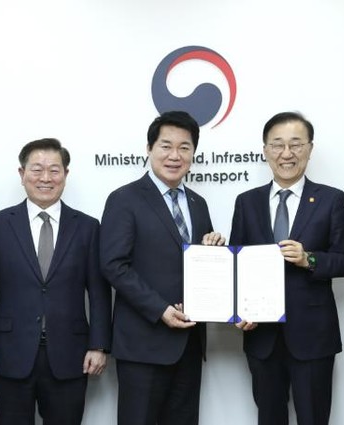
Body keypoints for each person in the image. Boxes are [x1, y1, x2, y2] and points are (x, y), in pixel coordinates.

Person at [0, 138, 112, 425]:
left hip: (70, 354)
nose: (45, 178)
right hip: (9, 354)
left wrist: (98, 346)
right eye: (36, 169)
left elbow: (99, 293)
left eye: (54, 170)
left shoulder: (87, 227)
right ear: (22, 174)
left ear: (65, 174)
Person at [229, 111, 344, 425]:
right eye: (278, 145)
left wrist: (308, 259)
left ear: (310, 149)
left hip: (313, 335)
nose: (287, 153)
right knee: (269, 417)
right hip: (262, 336)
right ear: (265, 150)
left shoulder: (331, 199)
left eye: (296, 144)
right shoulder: (247, 202)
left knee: (313, 417)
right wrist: (238, 310)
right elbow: (236, 265)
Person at [100, 110, 224, 425]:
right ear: (149, 148)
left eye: (184, 147)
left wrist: (214, 250)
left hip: (189, 344)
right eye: (166, 146)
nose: (174, 155)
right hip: (143, 342)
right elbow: (114, 265)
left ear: (193, 154)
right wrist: (160, 309)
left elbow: (200, 265)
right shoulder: (124, 199)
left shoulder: (198, 203)